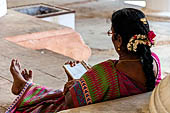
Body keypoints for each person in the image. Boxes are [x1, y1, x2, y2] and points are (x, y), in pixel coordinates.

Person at [6, 8, 161, 113]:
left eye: (111, 33)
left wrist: (73, 81)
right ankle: (26, 87)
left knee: (53, 99)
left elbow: (70, 102)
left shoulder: (106, 71)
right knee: (56, 93)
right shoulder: (154, 62)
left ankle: (25, 88)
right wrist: (85, 81)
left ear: (119, 40)